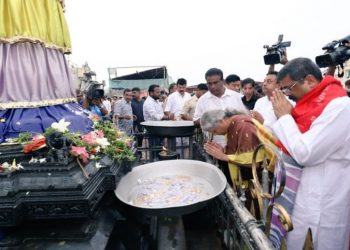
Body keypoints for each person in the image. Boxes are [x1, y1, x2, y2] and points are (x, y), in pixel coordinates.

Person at [270, 57, 350, 250]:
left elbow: (306, 153)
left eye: (289, 88)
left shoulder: (340, 106)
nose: (287, 95)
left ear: (310, 81)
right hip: (301, 197)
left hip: (324, 202)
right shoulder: (307, 104)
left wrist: (285, 118)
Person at [193, 68, 246, 146]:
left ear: (223, 81)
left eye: (215, 83)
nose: (213, 86)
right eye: (209, 84)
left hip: (237, 144)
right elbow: (196, 121)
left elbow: (245, 117)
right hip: (215, 145)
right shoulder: (202, 100)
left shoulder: (237, 97)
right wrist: (210, 121)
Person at [143, 84, 174, 160]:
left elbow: (161, 112)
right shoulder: (148, 102)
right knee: (153, 150)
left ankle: (158, 162)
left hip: (158, 129)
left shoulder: (156, 101)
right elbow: (155, 116)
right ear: (151, 93)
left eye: (159, 92)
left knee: (158, 149)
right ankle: (153, 163)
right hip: (152, 130)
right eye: (157, 92)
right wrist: (168, 117)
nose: (159, 94)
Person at [131, 87, 145, 153]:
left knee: (140, 140)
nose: (133, 94)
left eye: (134, 92)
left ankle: (140, 154)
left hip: (142, 124)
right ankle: (135, 155)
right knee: (133, 141)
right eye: (132, 92)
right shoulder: (131, 102)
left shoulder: (143, 102)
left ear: (139, 93)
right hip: (134, 125)